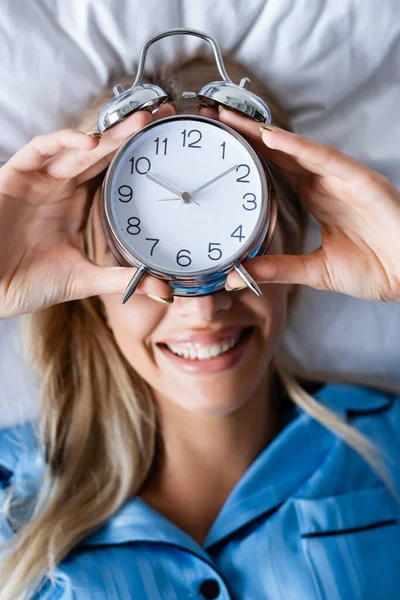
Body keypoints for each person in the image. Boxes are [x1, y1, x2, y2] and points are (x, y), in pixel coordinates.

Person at [0, 53, 399, 600]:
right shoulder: (9, 489)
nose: (202, 305)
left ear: (293, 247)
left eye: (238, 245)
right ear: (89, 296)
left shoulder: (390, 443)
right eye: (150, 257)